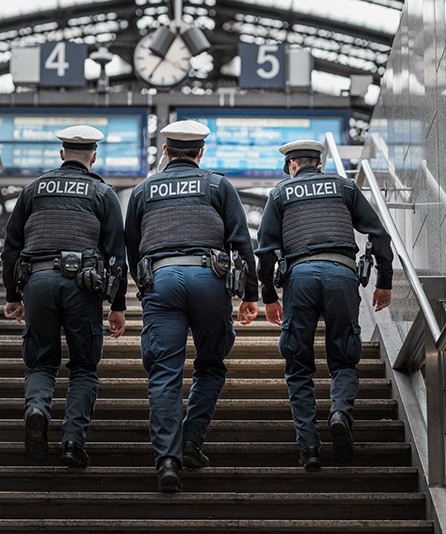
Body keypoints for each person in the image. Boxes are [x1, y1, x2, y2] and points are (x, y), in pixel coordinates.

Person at [124, 120, 259, 493]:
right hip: (209, 281)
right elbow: (241, 243)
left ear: (165, 151)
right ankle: (191, 440)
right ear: (201, 153)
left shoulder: (143, 190)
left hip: (161, 282)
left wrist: (145, 286)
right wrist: (251, 294)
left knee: (164, 372)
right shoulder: (217, 185)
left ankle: (167, 458)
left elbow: (132, 247)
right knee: (211, 364)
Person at [256, 139, 393, 471]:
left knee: (298, 365)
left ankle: (310, 448)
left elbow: (264, 252)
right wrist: (385, 282)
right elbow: (380, 235)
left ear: (291, 166)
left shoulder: (280, 194)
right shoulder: (344, 187)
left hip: (299, 279)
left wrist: (269, 297)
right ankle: (339, 412)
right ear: (319, 164)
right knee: (344, 357)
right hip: (342, 275)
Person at [2, 125, 127, 468]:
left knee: (41, 361)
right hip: (83, 286)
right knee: (84, 367)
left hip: (37, 282)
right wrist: (118, 306)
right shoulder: (102, 192)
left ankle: (37, 408)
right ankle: (72, 442)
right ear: (93, 157)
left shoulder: (33, 190)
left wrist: (13, 295)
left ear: (61, 155)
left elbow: (11, 248)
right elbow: (116, 253)